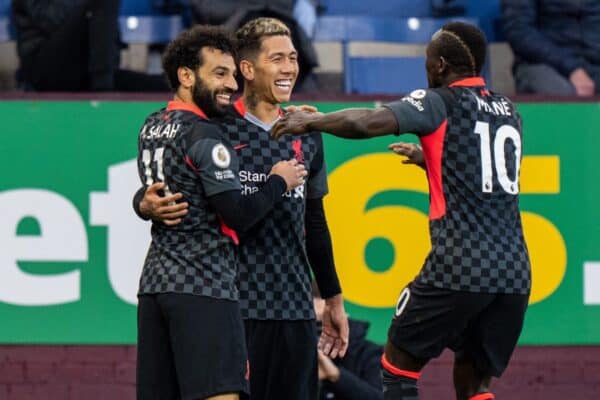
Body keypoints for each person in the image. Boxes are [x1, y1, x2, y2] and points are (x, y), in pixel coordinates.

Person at [272, 21, 531, 400]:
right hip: (515, 273)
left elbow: (369, 121)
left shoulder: (438, 101)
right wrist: (431, 161)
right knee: (474, 382)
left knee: (396, 366)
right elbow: (488, 176)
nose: (426, 70)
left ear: (440, 65)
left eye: (427, 62)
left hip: (459, 265)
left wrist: (310, 121)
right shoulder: (508, 111)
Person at [134, 17, 349, 400]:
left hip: (294, 311)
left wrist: (333, 299)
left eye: (294, 58)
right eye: (278, 58)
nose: (289, 68)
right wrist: (142, 202)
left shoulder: (307, 131)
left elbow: (315, 222)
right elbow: (165, 179)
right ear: (247, 69)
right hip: (235, 306)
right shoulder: (215, 124)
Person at [12, 0, 169, 91]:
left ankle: (105, 88)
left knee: (163, 86)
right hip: (43, 67)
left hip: (89, 70)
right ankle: (103, 95)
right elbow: (49, 20)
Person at [501, 0, 600, 96]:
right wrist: (572, 68)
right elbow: (519, 32)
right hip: (543, 63)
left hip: (593, 63)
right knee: (563, 98)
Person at [313, 285, 383, 400]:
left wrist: (336, 376)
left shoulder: (368, 353)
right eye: (315, 323)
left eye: (328, 322)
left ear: (342, 318)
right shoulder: (289, 354)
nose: (324, 331)